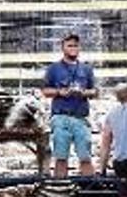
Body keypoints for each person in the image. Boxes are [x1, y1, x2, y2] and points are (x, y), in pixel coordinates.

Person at [41, 33, 98, 178]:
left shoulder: (86, 69)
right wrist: (60, 92)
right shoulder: (53, 69)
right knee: (60, 158)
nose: (73, 48)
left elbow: (95, 91)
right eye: (70, 45)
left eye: (76, 45)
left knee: (85, 157)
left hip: (80, 118)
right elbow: (45, 90)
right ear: (63, 48)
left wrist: (83, 93)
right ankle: (59, 189)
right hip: (60, 118)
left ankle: (89, 191)